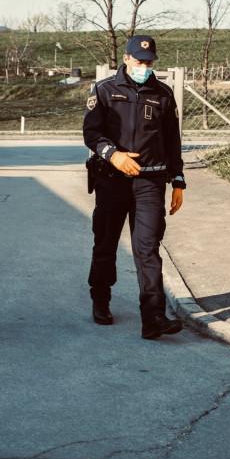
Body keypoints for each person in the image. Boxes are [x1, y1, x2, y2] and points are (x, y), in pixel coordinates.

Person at [83, 35, 186, 339]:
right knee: (106, 243)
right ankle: (100, 298)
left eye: (149, 62)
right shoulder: (104, 90)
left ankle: (154, 317)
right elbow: (91, 133)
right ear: (126, 58)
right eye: (140, 61)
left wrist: (178, 179)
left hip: (150, 183)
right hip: (111, 180)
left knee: (147, 248)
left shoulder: (163, 94)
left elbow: (173, 141)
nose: (145, 66)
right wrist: (113, 155)